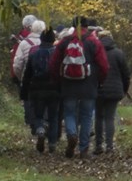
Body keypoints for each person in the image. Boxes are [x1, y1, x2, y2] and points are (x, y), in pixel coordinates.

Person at [49, 15, 110, 159]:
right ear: (86, 26)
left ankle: (71, 134)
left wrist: (58, 81)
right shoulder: (93, 42)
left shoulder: (64, 42)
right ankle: (83, 149)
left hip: (68, 85)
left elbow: (53, 64)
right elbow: (104, 66)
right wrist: (99, 81)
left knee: (69, 113)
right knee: (87, 116)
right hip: (89, 85)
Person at [21, 24, 62, 154]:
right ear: (53, 39)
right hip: (54, 89)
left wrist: (24, 91)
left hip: (36, 89)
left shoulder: (34, 53)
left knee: (38, 114)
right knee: (53, 117)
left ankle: (40, 130)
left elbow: (27, 74)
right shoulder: (58, 54)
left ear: (42, 39)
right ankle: (52, 144)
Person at [93, 30, 131, 155]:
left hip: (98, 89)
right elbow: (126, 74)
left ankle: (98, 145)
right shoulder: (119, 54)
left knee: (99, 117)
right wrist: (124, 89)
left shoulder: (95, 53)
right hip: (115, 90)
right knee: (110, 118)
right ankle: (109, 146)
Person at [11, 16, 44, 136]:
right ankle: (42, 123)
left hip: (28, 78)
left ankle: (34, 125)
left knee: (29, 101)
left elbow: (17, 63)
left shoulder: (24, 43)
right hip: (45, 78)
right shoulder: (47, 42)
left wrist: (21, 77)